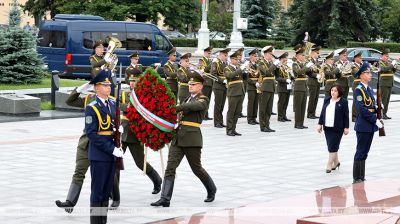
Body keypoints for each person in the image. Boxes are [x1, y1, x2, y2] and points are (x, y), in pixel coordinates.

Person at [151, 71, 216, 207]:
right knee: (170, 168)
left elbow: (194, 107)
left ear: (200, 86)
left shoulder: (203, 99)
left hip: (192, 138)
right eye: (189, 84)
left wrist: (176, 107)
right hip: (178, 138)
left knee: (196, 168)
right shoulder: (186, 99)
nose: (190, 86)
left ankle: (211, 189)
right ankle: (165, 198)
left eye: (193, 84)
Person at [55, 80, 120, 212]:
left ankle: (116, 198)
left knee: (109, 173)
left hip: (103, 143)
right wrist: (81, 88)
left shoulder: (111, 101)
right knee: (79, 171)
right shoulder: (90, 99)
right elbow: (70, 101)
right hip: (87, 143)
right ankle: (70, 202)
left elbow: (122, 112)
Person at [85, 70, 123, 223]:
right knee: (97, 192)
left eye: (109, 85)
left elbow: (114, 125)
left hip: (111, 155)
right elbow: (92, 134)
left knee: (106, 191)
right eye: (105, 85)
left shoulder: (113, 103)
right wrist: (111, 149)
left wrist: (120, 129)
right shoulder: (92, 107)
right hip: (100, 155)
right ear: (96, 88)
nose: (109, 87)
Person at [118, 76, 162, 199]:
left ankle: (157, 180)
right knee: (116, 161)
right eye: (131, 81)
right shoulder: (124, 93)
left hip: (136, 132)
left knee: (140, 163)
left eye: (135, 81)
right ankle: (114, 191)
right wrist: (124, 107)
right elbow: (119, 105)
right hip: (123, 131)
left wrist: (126, 107)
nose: (132, 83)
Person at [352, 62, 383, 183]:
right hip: (363, 125)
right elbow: (363, 110)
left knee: (365, 152)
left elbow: (371, 104)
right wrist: (375, 119)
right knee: (360, 151)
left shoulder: (369, 89)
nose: (370, 75)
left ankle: (361, 176)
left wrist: (378, 107)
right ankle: (356, 177)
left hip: (370, 126)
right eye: (368, 73)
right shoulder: (358, 90)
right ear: (361, 75)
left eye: (370, 72)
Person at [317, 84, 349, 173]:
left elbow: (346, 116)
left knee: (332, 146)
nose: (333, 92)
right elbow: (322, 112)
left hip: (338, 128)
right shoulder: (327, 99)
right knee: (332, 146)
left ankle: (329, 164)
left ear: (339, 92)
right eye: (332, 90)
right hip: (327, 127)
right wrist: (319, 124)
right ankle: (336, 162)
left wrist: (346, 127)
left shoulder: (343, 102)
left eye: (335, 91)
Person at [224, 51, 245, 136]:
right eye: (236, 59)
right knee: (231, 111)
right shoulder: (227, 68)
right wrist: (240, 69)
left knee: (237, 111)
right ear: (231, 59)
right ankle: (229, 129)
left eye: (238, 59)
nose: (237, 61)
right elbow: (230, 76)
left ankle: (233, 128)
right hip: (233, 92)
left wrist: (245, 72)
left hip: (240, 91)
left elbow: (244, 79)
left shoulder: (238, 68)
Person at [258, 46, 277, 132]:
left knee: (269, 108)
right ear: (265, 54)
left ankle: (267, 125)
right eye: (270, 54)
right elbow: (266, 72)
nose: (272, 55)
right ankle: (263, 126)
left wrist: (278, 66)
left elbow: (275, 73)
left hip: (271, 86)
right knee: (263, 108)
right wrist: (274, 64)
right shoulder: (261, 63)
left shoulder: (270, 63)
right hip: (265, 87)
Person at [211, 48, 230, 128]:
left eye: (227, 55)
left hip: (225, 86)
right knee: (218, 105)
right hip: (218, 86)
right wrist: (223, 80)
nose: (226, 57)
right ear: (221, 55)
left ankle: (220, 121)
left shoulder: (225, 63)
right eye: (225, 55)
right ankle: (216, 122)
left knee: (222, 105)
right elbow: (213, 75)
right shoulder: (215, 63)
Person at [292, 47, 309, 129]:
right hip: (298, 86)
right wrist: (306, 67)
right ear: (298, 56)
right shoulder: (295, 64)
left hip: (304, 86)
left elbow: (308, 72)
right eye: (302, 55)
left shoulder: (303, 64)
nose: (303, 56)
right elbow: (298, 72)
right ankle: (297, 123)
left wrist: (310, 67)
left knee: (303, 106)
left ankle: (301, 123)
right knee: (298, 107)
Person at [275, 52, 292, 122]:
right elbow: (277, 78)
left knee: (286, 102)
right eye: (285, 59)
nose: (286, 60)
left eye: (286, 59)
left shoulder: (287, 67)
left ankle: (284, 115)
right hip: (282, 87)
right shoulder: (278, 67)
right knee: (281, 102)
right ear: (281, 59)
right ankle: (280, 117)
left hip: (288, 87)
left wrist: (292, 77)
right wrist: (285, 80)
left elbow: (289, 75)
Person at [379, 48, 396, 120]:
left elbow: (393, 71)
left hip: (389, 83)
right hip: (384, 83)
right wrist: (392, 65)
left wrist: (394, 66)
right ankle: (381, 114)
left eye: (388, 56)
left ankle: (385, 113)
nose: (387, 57)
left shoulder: (388, 63)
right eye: (386, 56)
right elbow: (384, 69)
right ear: (382, 56)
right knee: (383, 100)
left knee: (387, 100)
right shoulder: (380, 62)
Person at [306, 45, 322, 119]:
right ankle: (309, 113)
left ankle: (313, 113)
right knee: (312, 98)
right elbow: (308, 72)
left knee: (316, 98)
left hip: (317, 81)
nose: (318, 54)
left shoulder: (317, 61)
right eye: (317, 53)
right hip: (312, 81)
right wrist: (316, 75)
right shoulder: (309, 61)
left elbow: (319, 70)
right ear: (313, 53)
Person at [198, 46, 214, 120]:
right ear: (204, 53)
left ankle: (206, 114)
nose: (210, 54)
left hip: (210, 82)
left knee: (208, 99)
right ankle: (202, 115)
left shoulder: (210, 60)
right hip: (205, 82)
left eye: (210, 53)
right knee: (204, 99)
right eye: (208, 53)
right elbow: (204, 70)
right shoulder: (202, 60)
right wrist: (212, 63)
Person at [246, 48, 260, 125]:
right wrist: (254, 83)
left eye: (256, 56)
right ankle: (250, 118)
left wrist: (259, 82)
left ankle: (254, 118)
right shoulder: (248, 65)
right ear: (251, 56)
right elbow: (247, 78)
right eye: (255, 56)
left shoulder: (257, 65)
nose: (256, 57)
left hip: (257, 86)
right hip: (251, 87)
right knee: (251, 103)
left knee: (256, 103)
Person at [351, 51, 363, 122]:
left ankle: (359, 115)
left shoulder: (361, 65)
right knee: (356, 101)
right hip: (356, 84)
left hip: (361, 84)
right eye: (359, 58)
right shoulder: (353, 66)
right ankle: (354, 116)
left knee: (361, 100)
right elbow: (356, 74)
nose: (361, 59)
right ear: (355, 58)